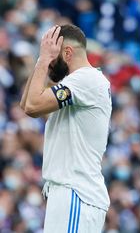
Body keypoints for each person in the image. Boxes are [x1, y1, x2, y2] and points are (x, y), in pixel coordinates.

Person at [20, 24, 111, 232]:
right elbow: (26, 106)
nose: (49, 64)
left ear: (67, 53)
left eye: (52, 56)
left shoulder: (87, 79)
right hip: (69, 194)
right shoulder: (76, 82)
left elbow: (33, 105)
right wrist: (40, 61)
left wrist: (44, 60)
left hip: (76, 192)